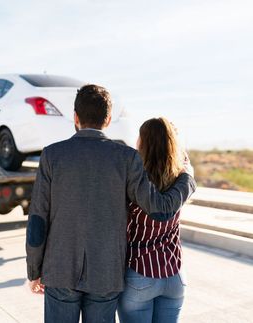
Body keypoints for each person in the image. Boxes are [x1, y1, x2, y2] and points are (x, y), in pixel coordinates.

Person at [25, 84, 196, 323]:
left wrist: (34, 270)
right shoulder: (127, 157)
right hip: (106, 275)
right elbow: (159, 208)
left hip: (59, 271)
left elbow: (37, 219)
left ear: (75, 117)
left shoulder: (52, 155)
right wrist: (187, 178)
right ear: (108, 119)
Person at [117, 118, 188, 323]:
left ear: (143, 142)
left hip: (140, 274)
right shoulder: (180, 181)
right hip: (174, 275)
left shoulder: (135, 183)